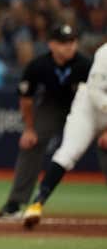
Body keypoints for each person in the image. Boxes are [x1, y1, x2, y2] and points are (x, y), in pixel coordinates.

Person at [0, 24, 102, 218]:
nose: (69, 46)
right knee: (31, 143)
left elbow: (101, 95)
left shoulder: (86, 65)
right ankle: (15, 203)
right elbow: (26, 99)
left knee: (105, 145)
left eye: (72, 42)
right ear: (51, 44)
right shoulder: (39, 66)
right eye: (63, 42)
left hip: (86, 108)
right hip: (52, 106)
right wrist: (29, 129)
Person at [23, 42, 107, 228]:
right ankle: (37, 203)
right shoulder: (104, 53)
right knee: (69, 152)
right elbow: (95, 92)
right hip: (89, 109)